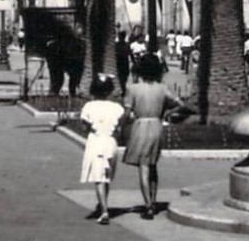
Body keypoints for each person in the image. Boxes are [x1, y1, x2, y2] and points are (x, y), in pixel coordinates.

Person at [122, 53, 194, 219]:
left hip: (140, 125)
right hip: (156, 125)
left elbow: (127, 111)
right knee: (152, 164)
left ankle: (148, 205)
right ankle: (153, 200)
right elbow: (182, 105)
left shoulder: (133, 89)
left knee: (143, 166)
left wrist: (121, 125)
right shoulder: (162, 88)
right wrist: (168, 112)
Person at [78, 75, 126, 224]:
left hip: (96, 141)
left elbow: (85, 126)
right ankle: (103, 204)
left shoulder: (89, 107)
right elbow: (121, 125)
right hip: (111, 142)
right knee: (106, 176)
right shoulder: (117, 107)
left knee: (99, 178)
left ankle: (104, 211)